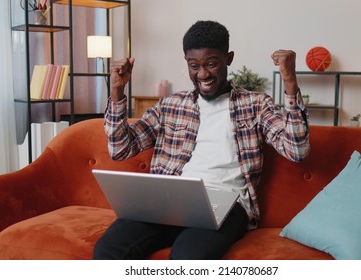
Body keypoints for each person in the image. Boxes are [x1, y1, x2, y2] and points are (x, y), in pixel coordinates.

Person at [93, 20, 310, 260]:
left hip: (227, 203)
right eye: (194, 65)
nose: (203, 74)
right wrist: (116, 92)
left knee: (188, 257)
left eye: (211, 64)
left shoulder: (256, 104)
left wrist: (290, 83)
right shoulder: (171, 104)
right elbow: (120, 149)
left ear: (229, 58)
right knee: (108, 249)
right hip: (170, 201)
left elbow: (296, 151)